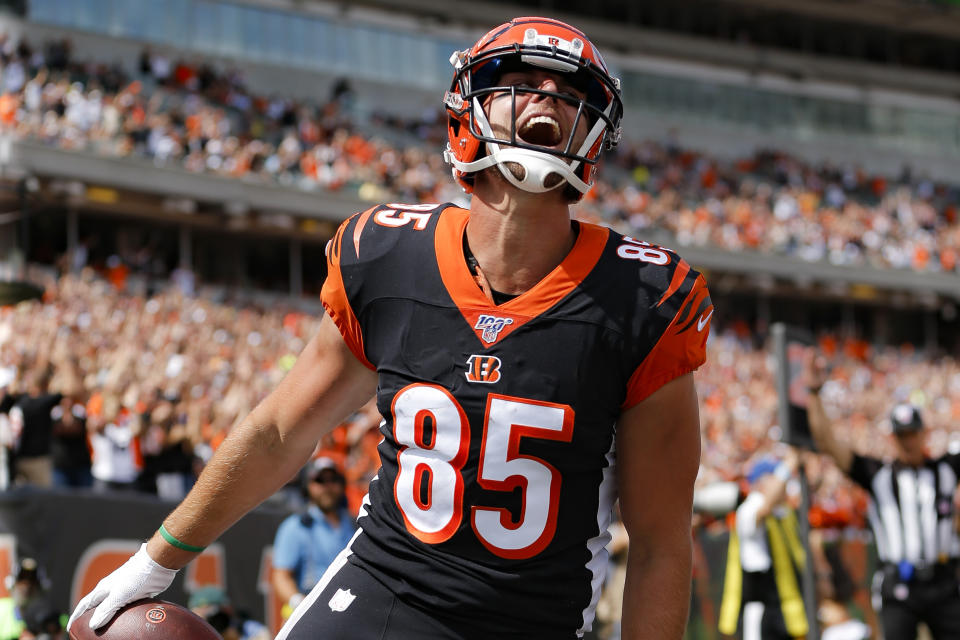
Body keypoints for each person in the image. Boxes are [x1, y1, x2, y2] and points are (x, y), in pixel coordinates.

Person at [69, 16, 712, 640]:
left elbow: (658, 541)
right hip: (381, 592)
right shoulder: (390, 255)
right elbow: (279, 432)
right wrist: (157, 558)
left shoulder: (642, 300)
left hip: (531, 619)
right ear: (469, 109)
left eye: (572, 93)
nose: (548, 96)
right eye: (523, 78)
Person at [804, 355, 960, 639]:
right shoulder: (879, 475)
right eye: (902, 436)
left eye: (913, 434)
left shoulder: (945, 469)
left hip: (944, 583)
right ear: (893, 438)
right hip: (899, 586)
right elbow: (828, 443)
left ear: (923, 434)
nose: (908, 442)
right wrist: (815, 393)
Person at [716, 448, 810, 640]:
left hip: (786, 612)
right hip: (762, 613)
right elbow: (764, 508)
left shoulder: (783, 513)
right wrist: (788, 465)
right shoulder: (750, 508)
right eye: (773, 478)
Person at [271, 457, 356, 621]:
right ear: (307, 486)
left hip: (350, 612)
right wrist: (298, 602)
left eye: (333, 480)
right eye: (320, 480)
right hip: (310, 614)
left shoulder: (356, 524)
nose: (327, 486)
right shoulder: (294, 527)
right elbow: (280, 576)